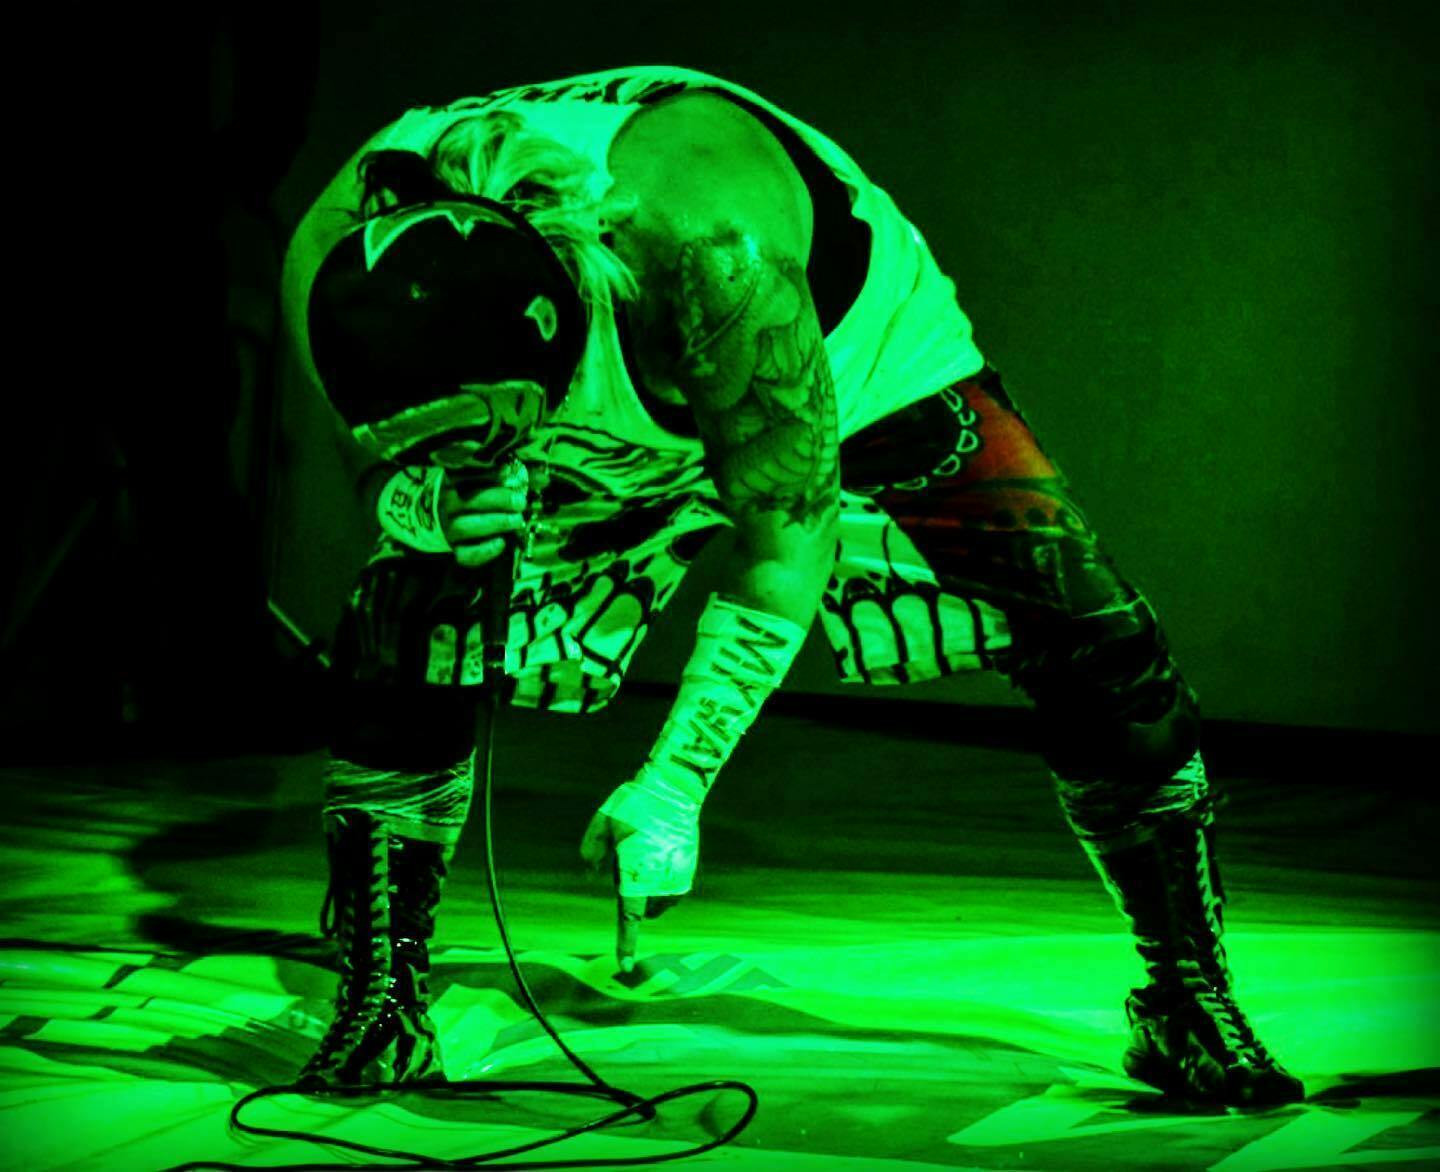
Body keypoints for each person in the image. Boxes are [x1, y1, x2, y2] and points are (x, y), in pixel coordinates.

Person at [280, 65, 1303, 1106]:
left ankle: (1186, 993)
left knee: (1089, 629)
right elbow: (373, 458)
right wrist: (423, 503)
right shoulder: (335, 259)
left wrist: (674, 784)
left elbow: (784, 542)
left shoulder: (718, 258)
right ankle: (381, 995)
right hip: (592, 385)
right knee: (406, 611)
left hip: (852, 371)